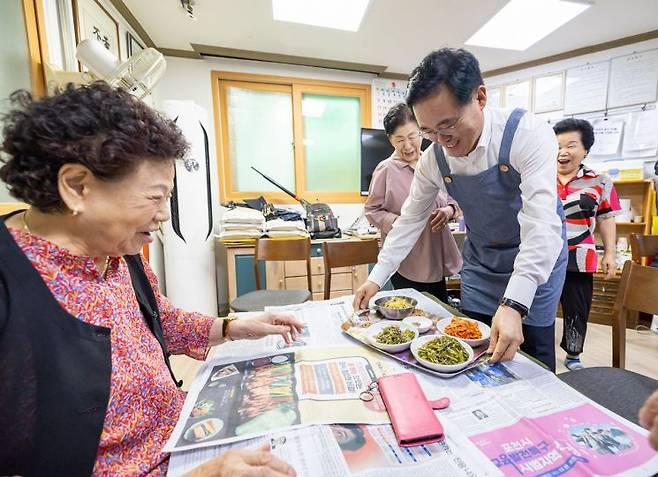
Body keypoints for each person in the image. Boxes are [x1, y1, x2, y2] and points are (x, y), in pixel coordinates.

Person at [0, 82, 301, 477]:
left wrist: (233, 326)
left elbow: (157, 319)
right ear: (77, 186)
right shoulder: (12, 286)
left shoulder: (118, 251)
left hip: (182, 437)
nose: (162, 215)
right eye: (155, 197)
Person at [354, 48, 567, 371]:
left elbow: (541, 226)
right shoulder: (433, 159)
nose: (441, 140)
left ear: (480, 97)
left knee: (530, 354)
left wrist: (513, 303)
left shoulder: (527, 134)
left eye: (448, 125)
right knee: (472, 345)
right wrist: (377, 278)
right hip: (482, 261)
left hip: (537, 260)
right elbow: (410, 221)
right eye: (428, 132)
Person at [365, 103, 462, 302]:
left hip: (435, 249)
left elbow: (455, 199)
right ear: (391, 140)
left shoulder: (436, 162)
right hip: (406, 253)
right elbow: (371, 210)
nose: (408, 146)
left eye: (412, 137)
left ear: (422, 132)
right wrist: (398, 222)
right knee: (410, 309)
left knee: (439, 308)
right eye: (400, 140)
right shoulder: (386, 170)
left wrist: (448, 211)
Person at [554, 118, 621, 370]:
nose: (562, 151)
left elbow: (606, 219)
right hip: (544, 254)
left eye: (570, 145)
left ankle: (573, 353)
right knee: (538, 304)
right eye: (557, 145)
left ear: (585, 150)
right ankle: (533, 347)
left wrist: (610, 254)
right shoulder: (538, 176)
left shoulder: (600, 181)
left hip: (580, 255)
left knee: (576, 307)